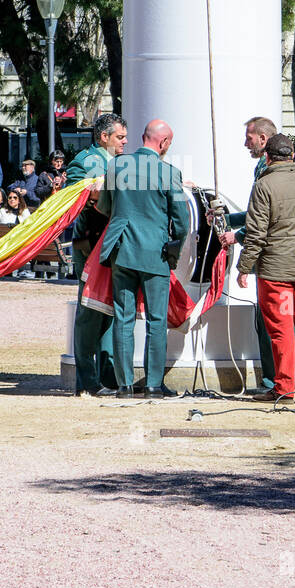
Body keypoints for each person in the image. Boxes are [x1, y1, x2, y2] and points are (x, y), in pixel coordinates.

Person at [235, 133, 295, 404]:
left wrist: (244, 266)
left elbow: (256, 233)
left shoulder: (264, 186)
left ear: (267, 157)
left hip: (276, 272)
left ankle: (284, 388)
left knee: (281, 330)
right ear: (293, 156)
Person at [97, 119, 189, 398]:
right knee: (156, 320)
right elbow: (182, 221)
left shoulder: (116, 166)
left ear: (142, 137)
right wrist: (176, 246)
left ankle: (124, 385)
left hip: (121, 250)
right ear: (163, 143)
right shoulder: (169, 172)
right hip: (155, 252)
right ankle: (152, 385)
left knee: (123, 318)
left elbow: (104, 206)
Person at [66, 112, 128, 395]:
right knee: (90, 312)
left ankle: (107, 378)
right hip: (90, 246)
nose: (125, 142)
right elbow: (76, 196)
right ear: (104, 137)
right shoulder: (83, 161)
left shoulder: (120, 163)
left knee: (109, 312)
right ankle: (87, 382)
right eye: (120, 137)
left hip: (113, 246)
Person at [219, 116, 282, 392]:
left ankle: (275, 381)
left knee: (271, 323)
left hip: (271, 258)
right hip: (281, 258)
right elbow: (255, 214)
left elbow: (262, 218)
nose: (246, 143)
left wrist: (237, 235)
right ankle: (282, 379)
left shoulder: (267, 170)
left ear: (263, 139)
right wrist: (228, 218)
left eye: (249, 137)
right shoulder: (267, 168)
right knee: (270, 321)